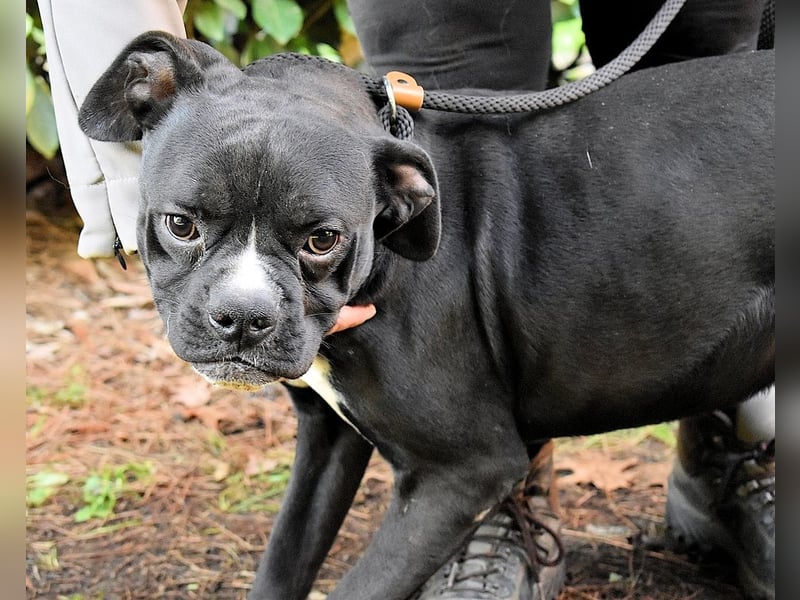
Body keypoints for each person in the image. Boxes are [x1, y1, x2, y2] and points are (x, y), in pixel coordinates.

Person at [38, 1, 774, 598]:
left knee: (696, 43)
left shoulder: (377, 190)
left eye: (317, 241)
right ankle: (510, 521)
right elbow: (329, 423)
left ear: (402, 201)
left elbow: (469, 463)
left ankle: (740, 450)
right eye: (187, 225)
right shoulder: (291, 163)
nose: (243, 301)